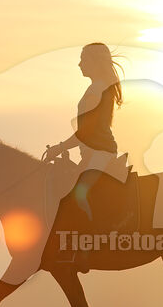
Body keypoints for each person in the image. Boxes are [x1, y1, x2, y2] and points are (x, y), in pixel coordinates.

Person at [43, 43, 124, 221]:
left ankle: (92, 235)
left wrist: (58, 148)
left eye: (83, 59)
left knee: (80, 195)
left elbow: (85, 132)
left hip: (100, 153)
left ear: (94, 62)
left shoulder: (96, 90)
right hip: (94, 153)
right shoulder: (99, 87)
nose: (79, 64)